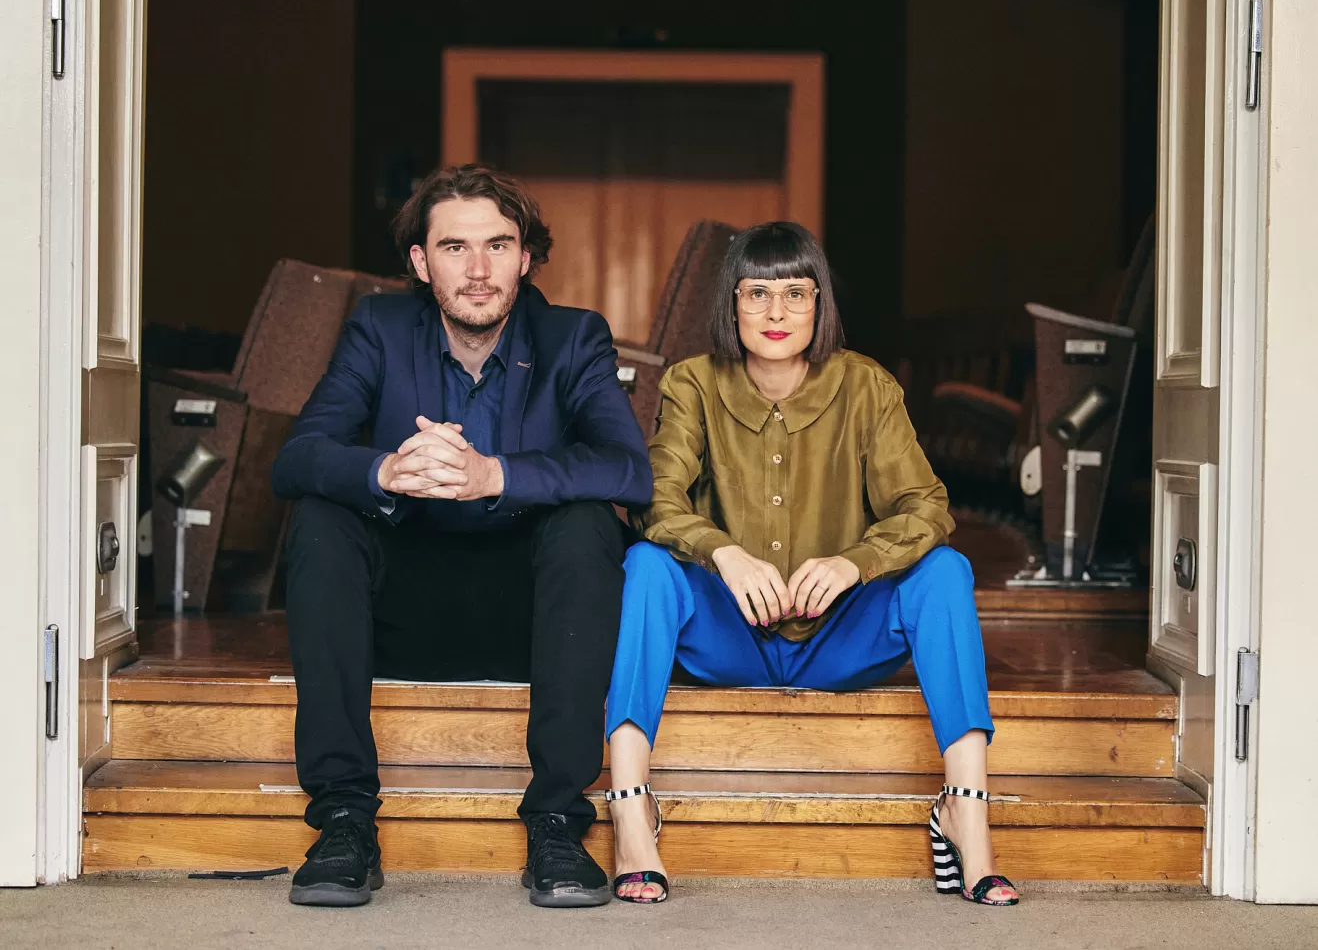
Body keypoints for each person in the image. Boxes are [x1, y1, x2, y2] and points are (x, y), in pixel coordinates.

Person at [602, 222, 1020, 907]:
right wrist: (724, 553)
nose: (774, 313)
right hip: (727, 637)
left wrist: (857, 563)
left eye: (795, 294)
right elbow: (653, 500)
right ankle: (630, 809)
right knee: (647, 565)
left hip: (837, 641)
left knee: (945, 570)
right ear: (730, 305)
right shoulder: (693, 384)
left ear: (820, 304)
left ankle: (965, 814)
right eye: (757, 293)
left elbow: (927, 507)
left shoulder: (865, 386)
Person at [271, 164, 652, 908]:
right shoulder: (378, 329)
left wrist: (495, 476)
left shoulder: (574, 337)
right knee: (321, 517)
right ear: (420, 261)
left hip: (533, 618)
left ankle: (557, 826)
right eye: (453, 248)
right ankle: (344, 819)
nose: (478, 271)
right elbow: (298, 455)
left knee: (586, 526)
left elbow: (627, 470)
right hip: (400, 613)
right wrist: (384, 468)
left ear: (527, 256)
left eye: (498, 246)